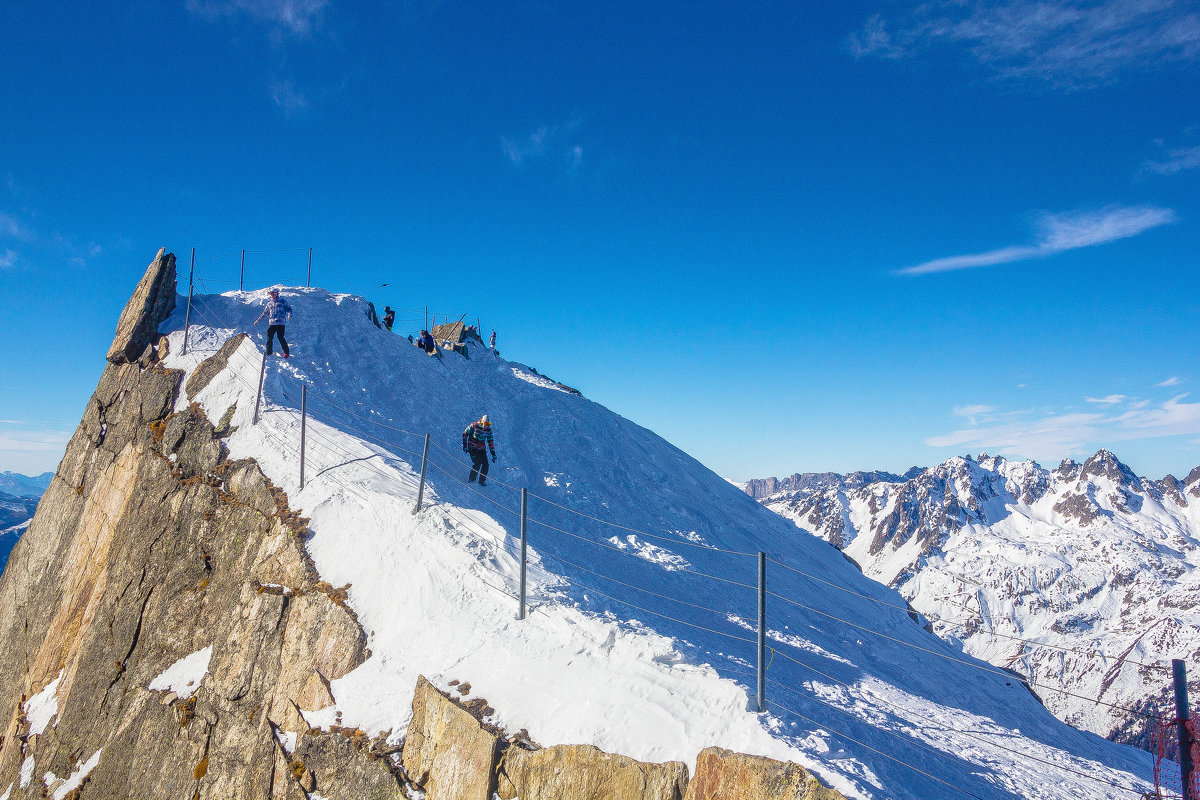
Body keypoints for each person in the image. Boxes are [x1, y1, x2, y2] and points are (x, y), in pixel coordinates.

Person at [254, 288, 292, 357]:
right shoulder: (270, 303)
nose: (271, 295)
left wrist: (289, 315)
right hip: (272, 323)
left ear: (276, 293)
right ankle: (269, 352)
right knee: (269, 336)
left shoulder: (282, 301)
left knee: (280, 337)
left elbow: (289, 308)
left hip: (280, 323)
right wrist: (258, 320)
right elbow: (265, 313)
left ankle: (286, 352)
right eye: (270, 294)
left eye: (272, 293)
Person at [462, 415, 497, 486]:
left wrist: (493, 454)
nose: (486, 426)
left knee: (486, 465)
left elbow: (490, 442)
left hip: (481, 449)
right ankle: (471, 479)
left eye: (488, 424)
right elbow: (465, 433)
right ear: (482, 422)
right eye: (485, 424)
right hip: (473, 448)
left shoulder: (488, 430)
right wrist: (465, 445)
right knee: (478, 463)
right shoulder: (474, 426)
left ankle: (482, 481)